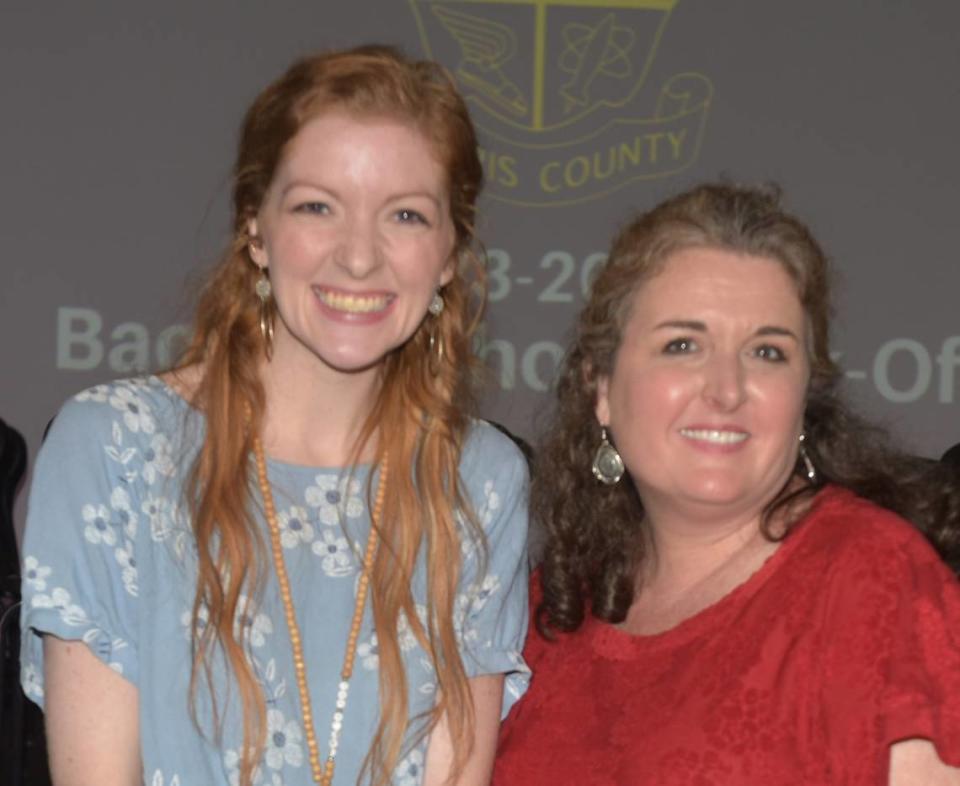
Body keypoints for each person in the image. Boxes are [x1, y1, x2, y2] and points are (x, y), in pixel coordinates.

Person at [20, 46, 530, 786]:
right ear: (254, 229)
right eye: (317, 206)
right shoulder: (115, 447)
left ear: (450, 253)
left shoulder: (478, 480)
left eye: (407, 216)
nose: (359, 257)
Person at [493, 183, 960, 785]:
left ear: (803, 397)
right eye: (682, 345)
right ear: (601, 387)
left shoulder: (875, 583)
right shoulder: (544, 613)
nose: (726, 389)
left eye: (767, 352)